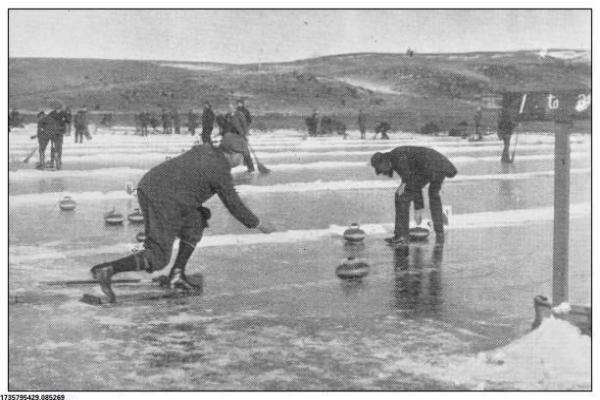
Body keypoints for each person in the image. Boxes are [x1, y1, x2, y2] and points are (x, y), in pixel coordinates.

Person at [90, 133, 275, 303]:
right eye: (241, 156)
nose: (242, 160)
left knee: (196, 222)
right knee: (158, 257)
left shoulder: (208, 151)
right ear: (232, 153)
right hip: (162, 198)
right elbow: (233, 204)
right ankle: (107, 270)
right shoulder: (219, 169)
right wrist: (258, 223)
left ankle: (177, 274)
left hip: (156, 187)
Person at [370, 146, 457, 246]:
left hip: (430, 166)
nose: (382, 172)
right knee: (433, 195)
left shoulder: (397, 158)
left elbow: (412, 182)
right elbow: (414, 182)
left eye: (380, 169)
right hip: (440, 165)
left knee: (400, 197)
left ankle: (401, 237)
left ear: (383, 162)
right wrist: (418, 208)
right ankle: (439, 233)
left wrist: (418, 208)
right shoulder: (395, 156)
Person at [39, 100, 69, 170]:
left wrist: (65, 130)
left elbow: (67, 122)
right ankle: (53, 162)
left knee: (58, 148)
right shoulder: (52, 113)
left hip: (59, 133)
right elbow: (45, 122)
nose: (58, 109)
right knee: (53, 147)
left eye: (59, 108)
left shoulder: (64, 114)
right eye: (57, 108)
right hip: (53, 133)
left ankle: (58, 162)